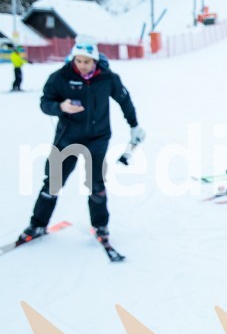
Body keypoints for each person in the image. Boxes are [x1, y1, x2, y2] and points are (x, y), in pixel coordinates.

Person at [18, 38, 144, 245]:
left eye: (87, 61)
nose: (83, 65)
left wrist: (134, 125)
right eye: (79, 60)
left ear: (95, 60)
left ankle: (100, 225)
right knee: (52, 182)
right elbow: (45, 102)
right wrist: (61, 107)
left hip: (97, 138)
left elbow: (124, 100)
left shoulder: (108, 78)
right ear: (73, 59)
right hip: (67, 138)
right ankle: (37, 224)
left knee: (96, 184)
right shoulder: (60, 77)